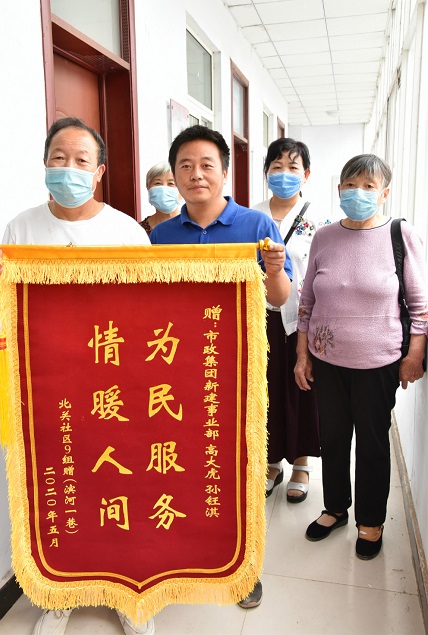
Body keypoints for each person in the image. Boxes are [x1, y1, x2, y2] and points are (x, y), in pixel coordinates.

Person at [0, 117, 153, 635]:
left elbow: (149, 309)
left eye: (80, 160)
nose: (68, 168)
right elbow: (0, 302)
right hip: (49, 383)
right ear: (45, 164)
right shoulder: (21, 228)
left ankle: (126, 590)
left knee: (121, 482)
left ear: (99, 172)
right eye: (58, 158)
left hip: (114, 382)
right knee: (62, 483)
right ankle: (62, 591)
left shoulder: (127, 232)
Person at [150, 124, 293, 609]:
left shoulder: (256, 226)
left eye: (206, 165)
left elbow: (280, 298)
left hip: (239, 369)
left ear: (225, 172)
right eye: (185, 166)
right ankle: (190, 554)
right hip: (177, 368)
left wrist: (274, 270)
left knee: (240, 466)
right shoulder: (162, 235)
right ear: (174, 175)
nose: (196, 175)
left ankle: (243, 568)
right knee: (187, 465)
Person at [294, 154, 428, 561]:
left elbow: (420, 305)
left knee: (371, 443)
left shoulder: (399, 234)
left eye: (369, 186)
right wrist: (302, 354)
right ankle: (335, 508)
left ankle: (371, 521)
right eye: (350, 185)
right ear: (339, 190)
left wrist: (414, 355)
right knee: (333, 438)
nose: (358, 193)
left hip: (378, 363)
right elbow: (307, 301)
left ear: (384, 193)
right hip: (327, 360)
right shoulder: (324, 237)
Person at [252, 138, 331, 502]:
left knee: (302, 388)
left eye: (293, 167)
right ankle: (271, 462)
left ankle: (301, 463)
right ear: (266, 172)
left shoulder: (321, 223)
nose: (284, 174)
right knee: (264, 390)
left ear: (306, 174)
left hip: (303, 320)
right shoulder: (252, 217)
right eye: (276, 166)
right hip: (260, 318)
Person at [139, 161, 181, 235]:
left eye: (171, 183)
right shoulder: (139, 231)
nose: (163, 189)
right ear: (148, 188)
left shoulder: (193, 227)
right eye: (158, 183)